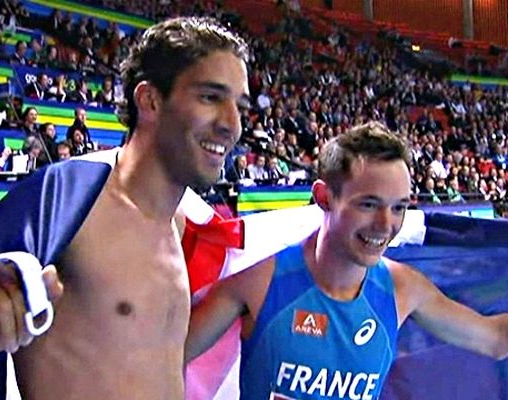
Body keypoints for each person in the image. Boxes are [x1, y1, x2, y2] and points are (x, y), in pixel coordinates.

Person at [0, 16, 250, 400]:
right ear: (150, 100)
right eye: (211, 97)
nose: (233, 124)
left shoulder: (182, 222)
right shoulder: (65, 203)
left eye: (240, 106)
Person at [185, 122, 508, 400]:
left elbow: (494, 340)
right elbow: (165, 361)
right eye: (369, 204)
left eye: (398, 207)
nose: (385, 225)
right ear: (325, 197)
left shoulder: (403, 289)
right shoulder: (258, 282)